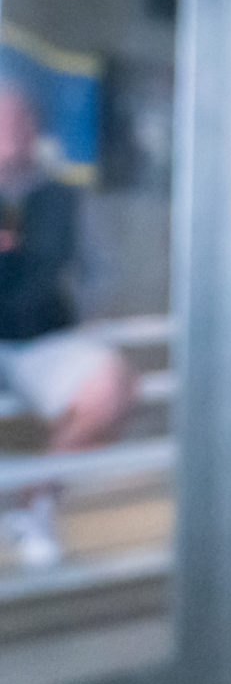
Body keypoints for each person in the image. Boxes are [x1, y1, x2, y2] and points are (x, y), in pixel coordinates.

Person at [0, 80, 134, 568]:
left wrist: (82, 326)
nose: (8, 132)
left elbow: (97, 274)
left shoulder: (64, 199)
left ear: (33, 129)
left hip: (41, 341)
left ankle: (34, 506)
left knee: (111, 387)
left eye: (16, 120)